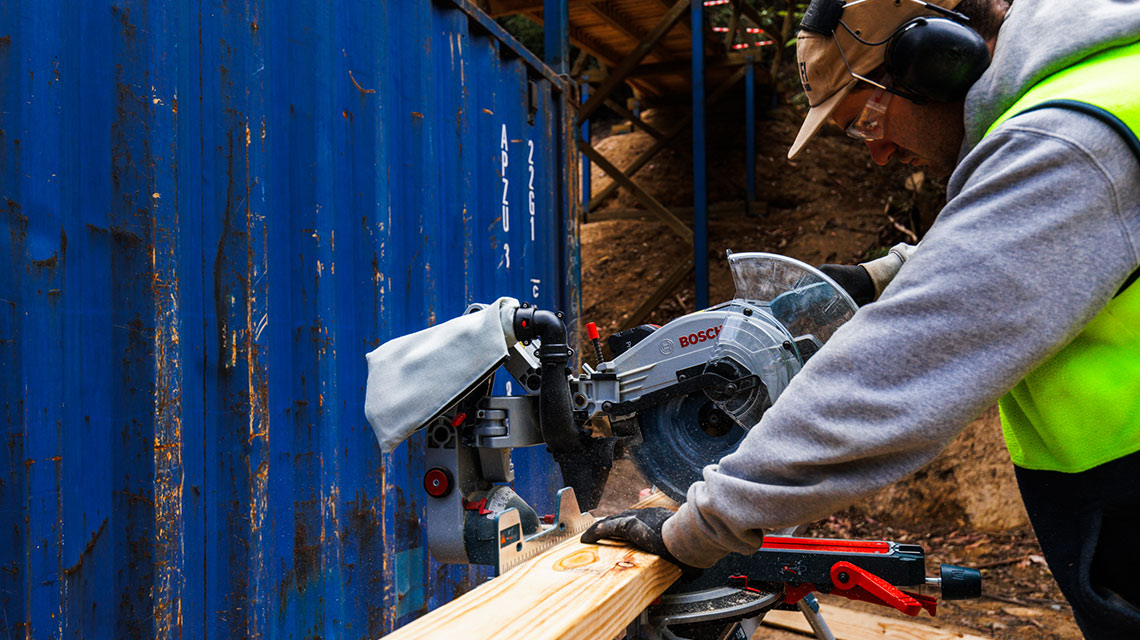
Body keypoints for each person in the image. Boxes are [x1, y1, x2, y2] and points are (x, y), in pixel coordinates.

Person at [582, 0, 1140, 636]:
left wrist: (701, 524)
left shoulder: (1067, 143)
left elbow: (895, 371)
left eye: (865, 113)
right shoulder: (1091, 96)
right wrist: (874, 278)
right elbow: (1010, 240)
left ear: (938, 59)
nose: (874, 150)